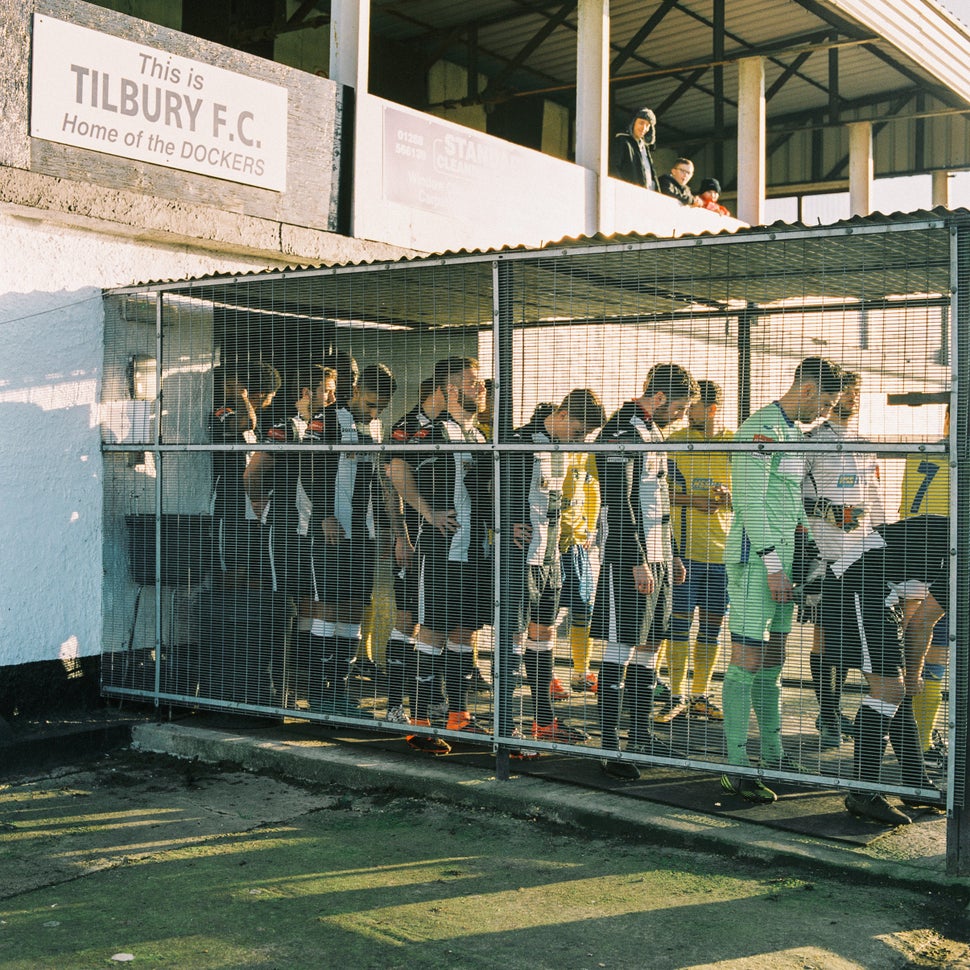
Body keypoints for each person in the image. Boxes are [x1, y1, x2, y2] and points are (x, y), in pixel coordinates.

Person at [719, 357, 844, 804]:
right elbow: (750, 503)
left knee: (774, 658)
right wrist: (772, 565)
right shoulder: (760, 429)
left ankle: (771, 751)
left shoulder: (793, 433)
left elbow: (791, 501)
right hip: (757, 562)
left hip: (787, 562)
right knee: (747, 658)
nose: (828, 413)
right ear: (807, 389)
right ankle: (734, 763)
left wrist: (807, 544)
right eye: (827, 403)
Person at [591, 363, 699, 781]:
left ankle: (639, 733)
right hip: (627, 558)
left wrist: (670, 553)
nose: (683, 415)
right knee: (620, 648)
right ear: (657, 399)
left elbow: (660, 501)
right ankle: (609, 747)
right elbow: (619, 502)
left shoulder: (654, 432)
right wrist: (637, 557)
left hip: (658, 556)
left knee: (650, 645)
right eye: (681, 407)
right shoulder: (620, 431)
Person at [815, 515, 947, 825]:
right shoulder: (963, 548)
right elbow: (923, 622)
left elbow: (914, 604)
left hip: (875, 593)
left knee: (894, 692)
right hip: (855, 588)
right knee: (892, 690)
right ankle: (862, 794)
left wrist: (907, 670)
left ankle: (916, 786)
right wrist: (913, 673)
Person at [392, 357, 492, 753]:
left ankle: (459, 716)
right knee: (431, 629)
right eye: (471, 383)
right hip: (438, 549)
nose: (481, 388)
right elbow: (395, 470)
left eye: (480, 382)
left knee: (466, 632)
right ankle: (420, 721)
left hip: (475, 551)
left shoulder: (480, 436)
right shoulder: (427, 431)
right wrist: (426, 511)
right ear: (450, 390)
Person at [508, 391, 606, 745]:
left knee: (545, 636)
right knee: (514, 640)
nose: (579, 441)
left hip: (552, 556)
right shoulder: (518, 440)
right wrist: (503, 520)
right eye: (578, 432)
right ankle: (508, 726)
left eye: (585, 437)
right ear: (561, 414)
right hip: (519, 558)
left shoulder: (560, 449)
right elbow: (482, 485)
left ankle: (544, 719)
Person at [307, 362, 398, 717]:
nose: (375, 412)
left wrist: (389, 527)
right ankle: (318, 693)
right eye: (371, 403)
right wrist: (323, 515)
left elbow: (379, 478)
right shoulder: (326, 419)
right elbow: (308, 467)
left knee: (355, 611)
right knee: (328, 607)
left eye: (381, 407)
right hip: (332, 529)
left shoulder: (374, 427)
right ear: (356, 391)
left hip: (365, 533)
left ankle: (341, 688)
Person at [801, 371, 886, 748]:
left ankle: (833, 710)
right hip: (822, 554)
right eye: (845, 392)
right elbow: (789, 497)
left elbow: (876, 501)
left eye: (857, 393)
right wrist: (828, 511)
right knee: (824, 633)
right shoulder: (813, 441)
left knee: (852, 636)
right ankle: (829, 712)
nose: (852, 399)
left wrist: (885, 541)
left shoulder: (865, 444)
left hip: (863, 555)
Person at [657, 380, 732, 725]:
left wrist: (729, 497)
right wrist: (692, 501)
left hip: (723, 553)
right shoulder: (672, 443)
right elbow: (655, 493)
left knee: (712, 628)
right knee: (678, 626)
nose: (687, 413)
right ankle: (675, 694)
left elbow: (750, 494)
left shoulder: (734, 444)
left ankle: (700, 694)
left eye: (695, 406)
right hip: (682, 552)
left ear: (712, 409)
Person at [383, 376, 446, 725]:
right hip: (415, 541)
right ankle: (395, 704)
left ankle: (434, 699)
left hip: (447, 546)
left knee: (442, 623)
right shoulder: (407, 427)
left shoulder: (454, 429)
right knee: (407, 620)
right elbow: (390, 483)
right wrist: (401, 536)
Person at [898, 404, 950, 772]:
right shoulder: (955, 456)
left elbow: (905, 507)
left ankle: (916, 737)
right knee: (936, 652)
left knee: (917, 648)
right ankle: (922, 740)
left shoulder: (923, 453)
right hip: (947, 557)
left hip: (913, 556)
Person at [210, 359, 281, 586]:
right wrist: (241, 395)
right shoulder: (223, 411)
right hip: (229, 505)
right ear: (261, 393)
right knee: (233, 567)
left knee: (252, 567)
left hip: (252, 508)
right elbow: (245, 423)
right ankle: (226, 612)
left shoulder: (261, 421)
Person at [609, 107, 658, 190]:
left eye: (647, 125)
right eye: (641, 123)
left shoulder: (645, 148)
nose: (644, 128)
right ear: (633, 122)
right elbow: (613, 168)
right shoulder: (622, 141)